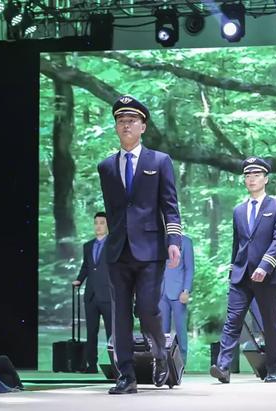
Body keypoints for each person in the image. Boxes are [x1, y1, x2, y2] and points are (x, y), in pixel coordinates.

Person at [98, 95, 182, 394]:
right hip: (118, 251)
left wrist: (174, 240)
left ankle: (160, 353)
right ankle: (126, 375)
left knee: (147, 309)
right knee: (120, 314)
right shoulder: (106, 166)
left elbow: (170, 205)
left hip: (151, 249)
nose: (126, 125)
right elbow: (112, 210)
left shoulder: (159, 161)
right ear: (116, 127)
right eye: (121, 121)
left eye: (132, 120)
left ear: (143, 126)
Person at [210, 157, 276, 384]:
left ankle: (273, 369)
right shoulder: (238, 210)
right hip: (241, 274)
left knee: (270, 322)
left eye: (256, 175)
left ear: (266, 179)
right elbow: (238, 244)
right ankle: (223, 367)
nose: (251, 179)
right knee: (232, 320)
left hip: (267, 275)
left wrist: (265, 266)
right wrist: (232, 270)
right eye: (247, 176)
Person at [72, 211, 112, 373]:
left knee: (111, 332)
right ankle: (91, 365)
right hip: (91, 295)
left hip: (108, 295)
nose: (98, 226)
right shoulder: (88, 246)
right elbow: (86, 266)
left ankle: (116, 365)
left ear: (108, 225)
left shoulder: (113, 244)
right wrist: (79, 280)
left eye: (102, 223)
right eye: (96, 223)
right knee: (91, 332)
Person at [159, 234, 194, 364]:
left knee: (180, 329)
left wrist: (186, 290)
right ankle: (163, 363)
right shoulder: (158, 240)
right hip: (160, 291)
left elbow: (189, 268)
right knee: (162, 331)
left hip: (178, 292)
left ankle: (182, 362)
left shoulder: (186, 242)